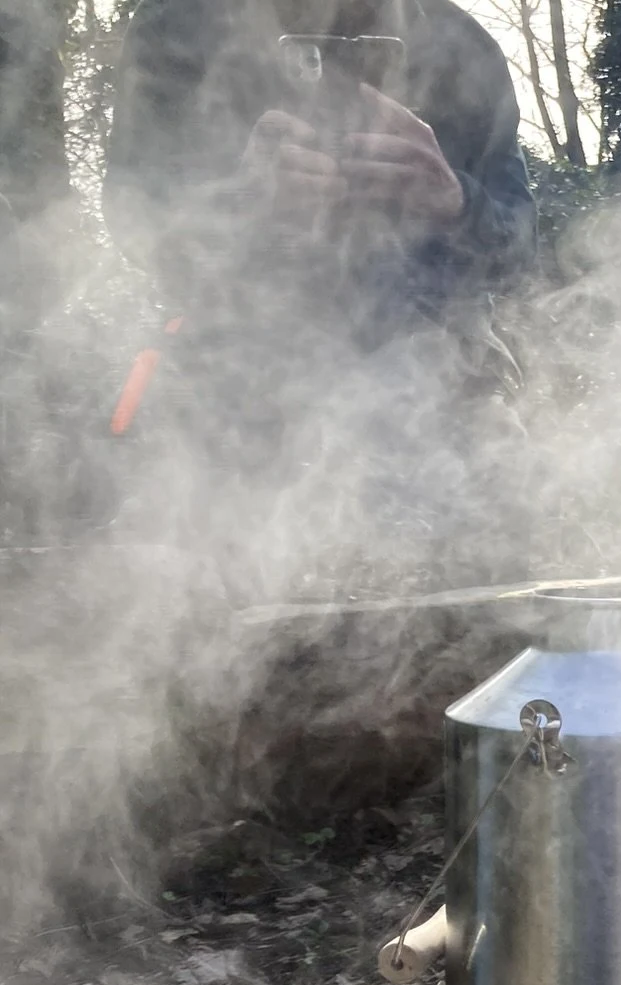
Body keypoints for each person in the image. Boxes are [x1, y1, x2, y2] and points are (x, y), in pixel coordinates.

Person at [100, 0, 539, 584]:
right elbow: (137, 226)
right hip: (238, 412)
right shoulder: (181, 27)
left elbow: (520, 250)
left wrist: (456, 201)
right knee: (223, 638)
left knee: (478, 624)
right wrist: (239, 201)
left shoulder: (464, 44)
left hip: (441, 411)